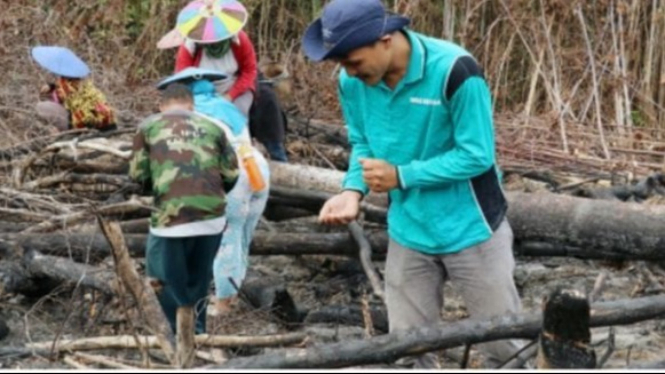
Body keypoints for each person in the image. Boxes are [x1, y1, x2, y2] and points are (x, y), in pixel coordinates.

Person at [302, 0, 527, 368]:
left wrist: (402, 176)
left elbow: (477, 155)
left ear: (386, 40)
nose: (348, 72)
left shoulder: (455, 70)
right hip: (408, 229)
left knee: (506, 345)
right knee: (408, 349)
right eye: (341, 64)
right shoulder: (352, 83)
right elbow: (362, 142)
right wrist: (351, 190)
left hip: (472, 227)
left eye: (354, 62)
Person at [157, 67, 271, 313]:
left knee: (225, 237)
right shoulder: (226, 107)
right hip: (256, 166)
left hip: (230, 172)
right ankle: (231, 293)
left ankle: (222, 303)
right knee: (241, 236)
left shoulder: (190, 115)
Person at [128, 83, 239, 334]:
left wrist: (160, 191)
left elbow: (137, 175)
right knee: (199, 280)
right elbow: (231, 174)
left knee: (164, 281)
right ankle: (198, 333)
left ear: (161, 106)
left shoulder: (148, 127)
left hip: (170, 218)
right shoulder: (214, 127)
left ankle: (175, 336)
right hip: (212, 218)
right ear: (192, 105)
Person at [31, 46, 117, 133]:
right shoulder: (85, 84)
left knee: (41, 107)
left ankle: (62, 132)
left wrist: (50, 91)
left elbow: (59, 98)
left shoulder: (64, 86)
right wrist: (52, 86)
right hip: (107, 124)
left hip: (83, 124)